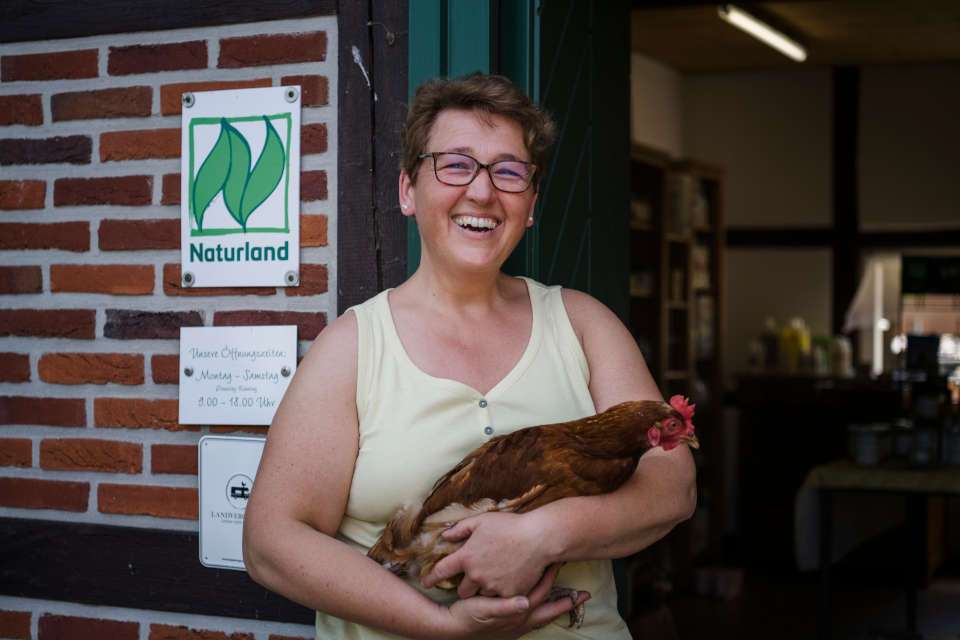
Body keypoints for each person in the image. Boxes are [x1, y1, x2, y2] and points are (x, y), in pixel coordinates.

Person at [243, 73, 697, 639]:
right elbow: (271, 542)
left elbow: (672, 485)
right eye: (456, 165)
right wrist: (441, 625)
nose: (482, 192)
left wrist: (542, 534)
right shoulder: (354, 346)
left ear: (530, 205)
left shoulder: (582, 324)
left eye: (508, 172)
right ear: (408, 190)